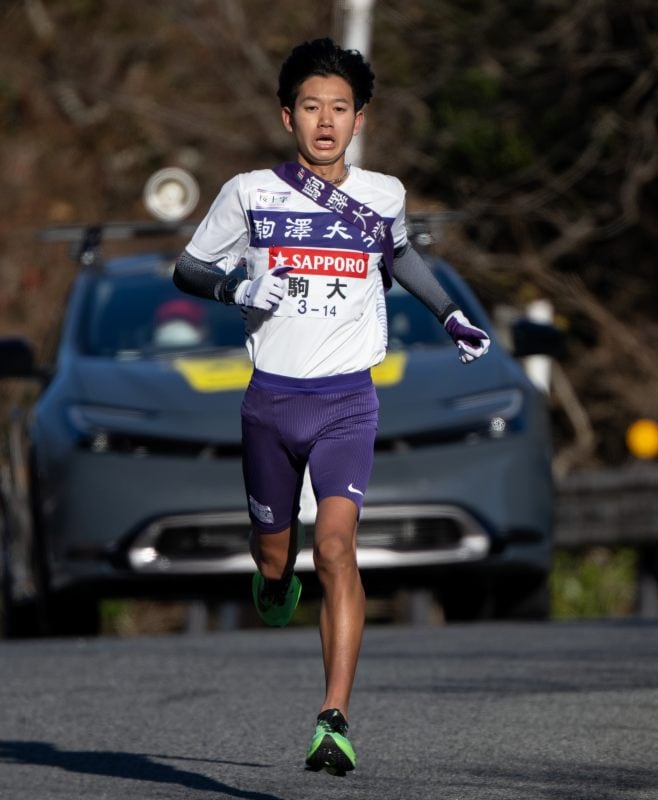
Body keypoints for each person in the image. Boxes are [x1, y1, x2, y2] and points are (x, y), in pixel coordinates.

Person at [171, 37, 491, 777]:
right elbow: (187, 267)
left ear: (359, 120)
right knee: (276, 558)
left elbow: (400, 254)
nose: (325, 121)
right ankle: (274, 580)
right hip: (269, 404)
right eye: (311, 107)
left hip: (348, 399)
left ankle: (334, 716)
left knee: (337, 548)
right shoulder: (250, 191)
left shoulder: (384, 194)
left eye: (340, 108)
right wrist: (237, 290)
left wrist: (450, 315)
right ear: (288, 117)